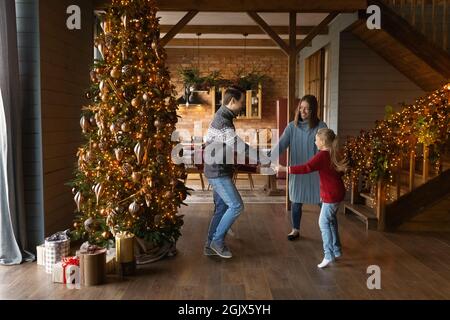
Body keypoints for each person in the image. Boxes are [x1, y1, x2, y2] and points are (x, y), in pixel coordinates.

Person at [203, 86, 270, 259]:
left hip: (216, 169)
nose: (242, 106)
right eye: (241, 102)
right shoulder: (224, 121)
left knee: (222, 207)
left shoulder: (221, 116)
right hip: (218, 172)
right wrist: (263, 158)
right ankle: (217, 241)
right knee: (236, 205)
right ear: (232, 101)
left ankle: (210, 245)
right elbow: (240, 147)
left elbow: (208, 140)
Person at [269, 95, 327, 240]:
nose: (303, 111)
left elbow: (325, 149)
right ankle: (295, 229)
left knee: (322, 202)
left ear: (313, 110)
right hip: (297, 170)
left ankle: (327, 230)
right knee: (296, 201)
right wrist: (267, 157)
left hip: (315, 172)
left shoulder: (321, 127)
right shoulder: (291, 127)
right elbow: (281, 145)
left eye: (307, 108)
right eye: (301, 107)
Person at [288, 128, 347, 268]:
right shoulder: (334, 153)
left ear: (322, 141)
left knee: (323, 223)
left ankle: (328, 255)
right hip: (338, 192)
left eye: (316, 139)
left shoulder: (322, 155)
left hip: (331, 195)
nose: (314, 142)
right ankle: (336, 250)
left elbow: (307, 167)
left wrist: (287, 169)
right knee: (330, 221)